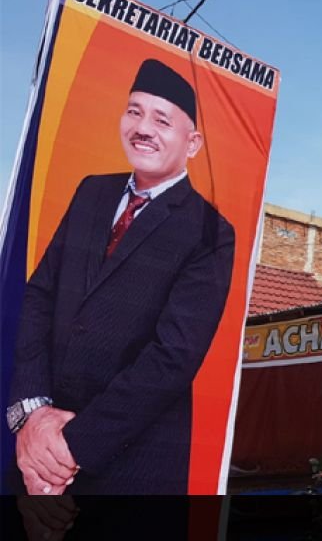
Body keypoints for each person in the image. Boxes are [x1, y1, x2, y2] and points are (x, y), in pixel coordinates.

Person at [6, 58, 235, 495]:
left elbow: (172, 357)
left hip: (130, 469)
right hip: (32, 454)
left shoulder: (210, 232)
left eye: (161, 120)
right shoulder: (92, 191)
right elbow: (39, 296)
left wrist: (68, 448)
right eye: (134, 111)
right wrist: (33, 417)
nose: (142, 128)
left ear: (192, 143)